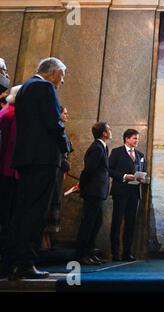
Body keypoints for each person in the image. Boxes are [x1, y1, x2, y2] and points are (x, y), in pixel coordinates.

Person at [0, 57, 69, 280]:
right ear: (52, 72)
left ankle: (12, 263)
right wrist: (66, 145)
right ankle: (26, 264)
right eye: (62, 75)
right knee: (36, 214)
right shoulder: (44, 87)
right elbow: (54, 123)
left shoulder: (26, 88)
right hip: (43, 160)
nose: (62, 81)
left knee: (21, 213)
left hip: (26, 161)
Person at [76, 122, 111, 265]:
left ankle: (90, 252)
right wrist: (81, 185)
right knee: (88, 223)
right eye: (109, 129)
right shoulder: (97, 148)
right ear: (104, 133)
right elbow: (88, 170)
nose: (110, 131)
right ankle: (81, 255)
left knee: (97, 222)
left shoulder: (103, 147)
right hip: (93, 191)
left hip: (98, 191)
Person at [109, 129, 146, 262]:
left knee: (131, 223)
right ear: (126, 138)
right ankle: (115, 253)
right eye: (135, 138)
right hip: (120, 191)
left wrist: (142, 178)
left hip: (135, 193)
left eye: (138, 138)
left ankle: (127, 252)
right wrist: (125, 176)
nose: (137, 141)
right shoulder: (117, 152)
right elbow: (109, 170)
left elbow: (144, 171)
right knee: (117, 222)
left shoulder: (140, 155)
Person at [42, 106, 73, 250]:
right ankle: (42, 241)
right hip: (53, 172)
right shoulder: (53, 130)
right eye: (64, 113)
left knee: (55, 203)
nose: (67, 116)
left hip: (60, 173)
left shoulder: (63, 131)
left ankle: (47, 240)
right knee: (48, 204)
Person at [0, 85, 20, 242]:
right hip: (9, 168)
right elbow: (14, 142)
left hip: (5, 165)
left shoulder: (6, 111)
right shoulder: (14, 114)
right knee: (7, 211)